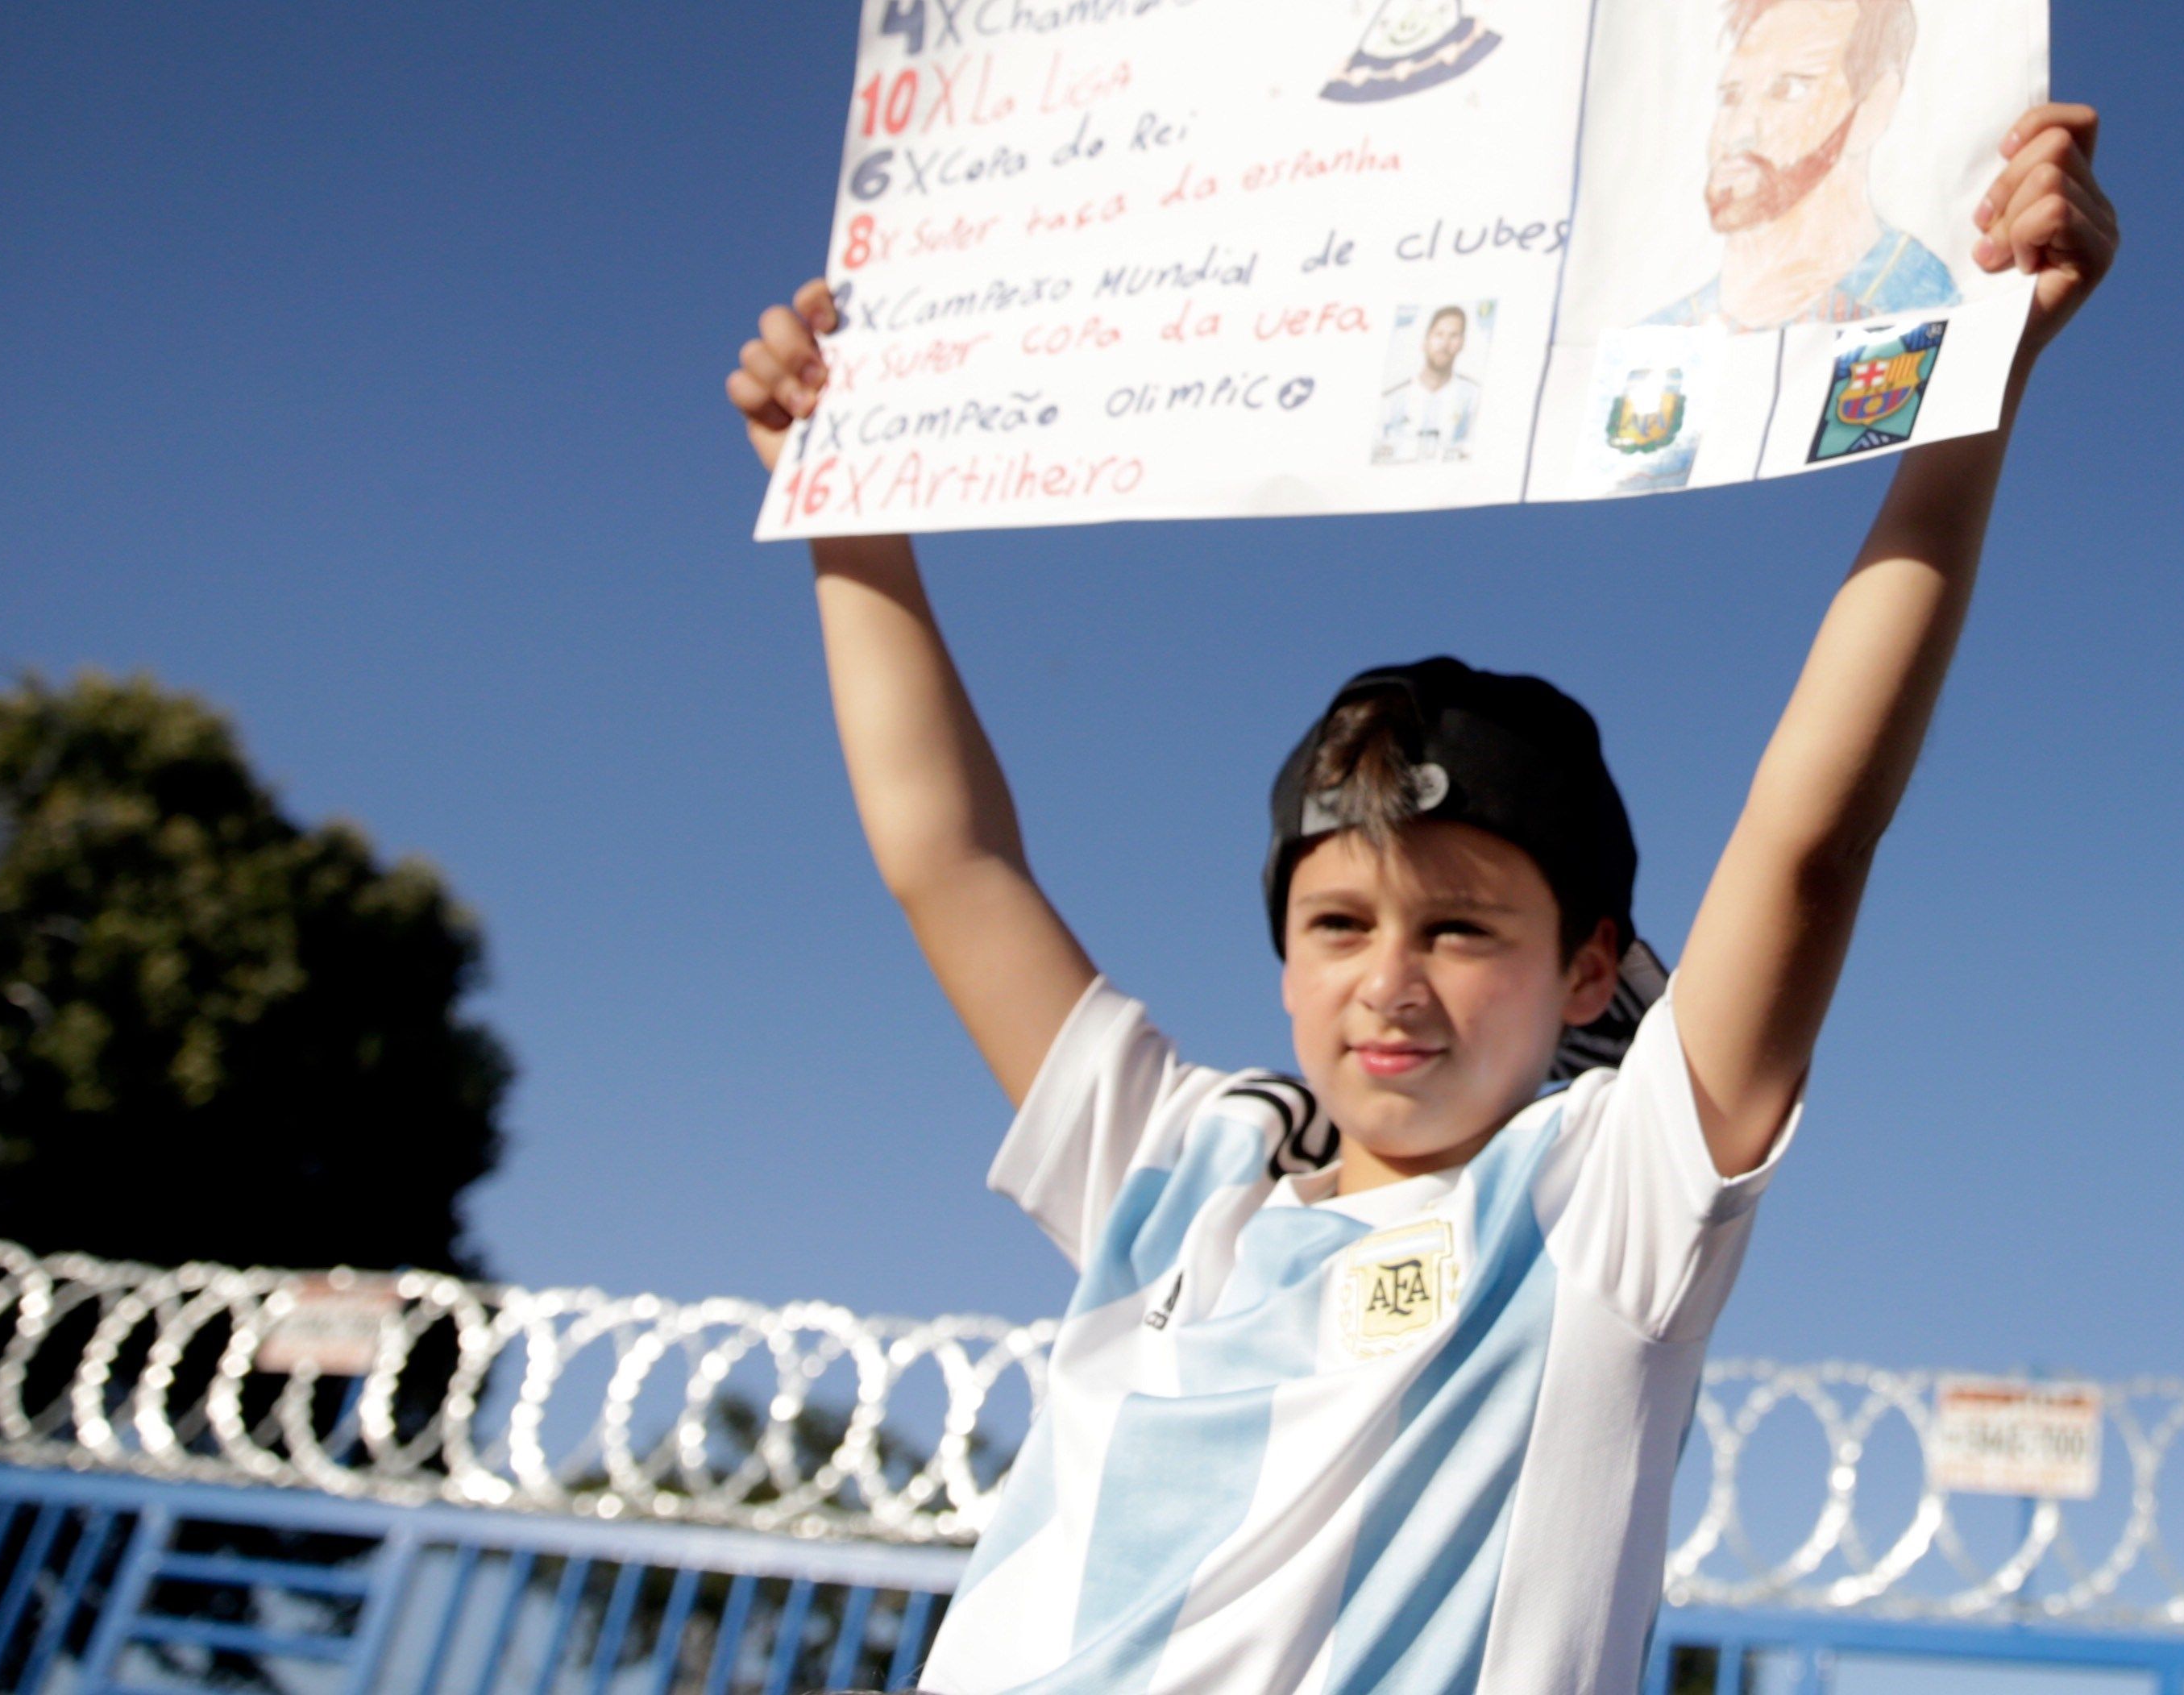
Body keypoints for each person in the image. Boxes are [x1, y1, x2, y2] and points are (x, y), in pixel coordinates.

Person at [724, 105, 2113, 1695]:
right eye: (1339, 924)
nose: (1390, 979)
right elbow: (945, 856)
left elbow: (1811, 834)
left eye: (1462, 927)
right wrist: (846, 503)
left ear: (1592, 970)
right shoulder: (1179, 1170)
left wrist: (1977, 387)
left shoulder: (1607, 1205)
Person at [1646, 0, 1960, 332]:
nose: (1740, 130)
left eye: (1788, 89)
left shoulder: (1926, 305)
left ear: (1874, 106)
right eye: (1731, 96)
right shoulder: (1659, 339)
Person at [1376, 303, 1481, 463]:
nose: (1445, 344)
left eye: (1453, 336)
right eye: (1439, 335)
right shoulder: (1392, 400)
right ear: (1426, 340)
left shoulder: (1473, 398)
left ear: (1462, 343)